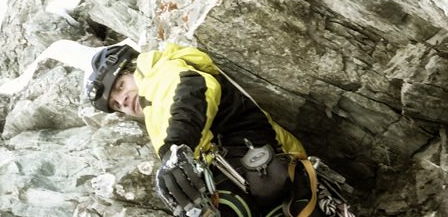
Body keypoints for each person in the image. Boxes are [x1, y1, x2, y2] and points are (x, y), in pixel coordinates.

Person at [85, 42, 352, 217]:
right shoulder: (156, 107)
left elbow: (192, 92)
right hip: (247, 172)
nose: (122, 102)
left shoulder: (160, 72)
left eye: (120, 87)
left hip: (261, 162)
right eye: (116, 105)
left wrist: (175, 147)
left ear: (133, 68)